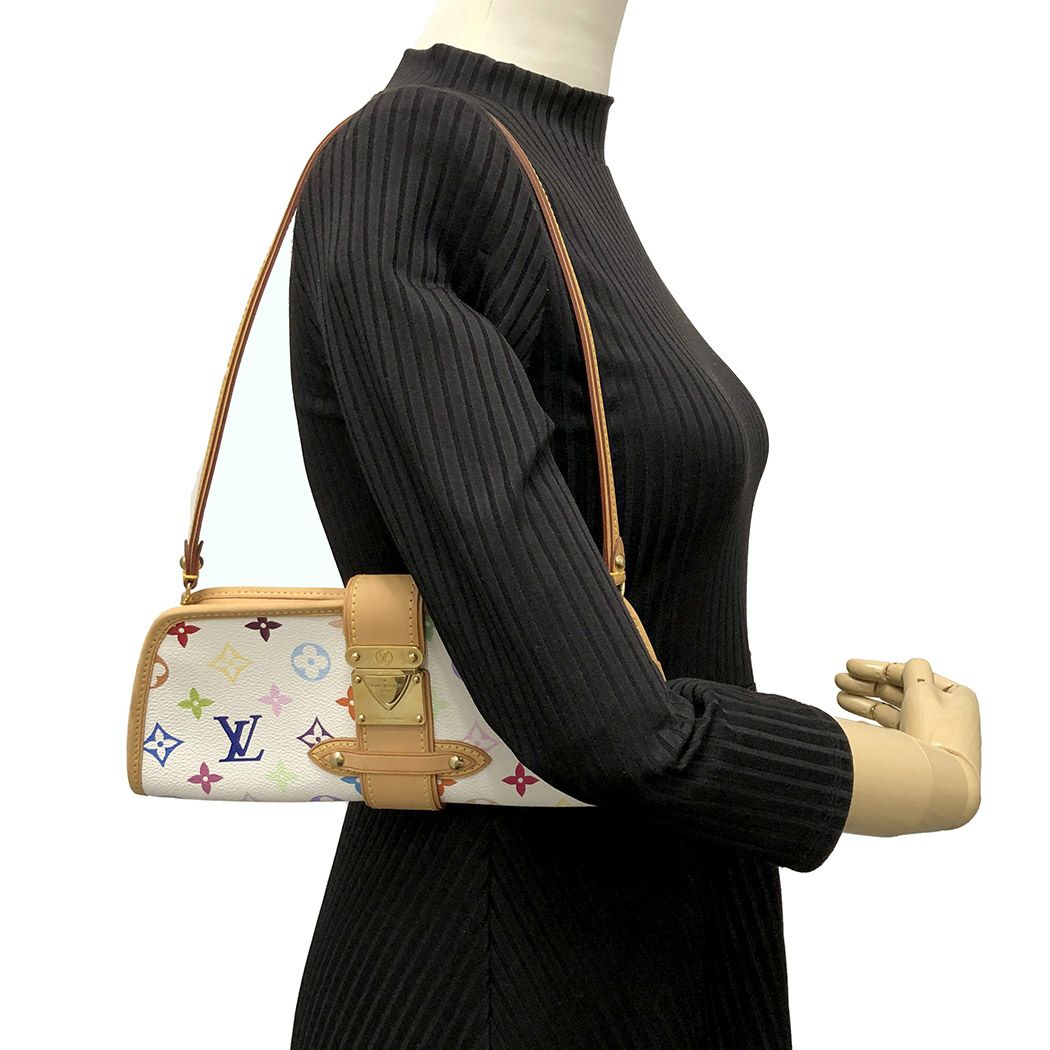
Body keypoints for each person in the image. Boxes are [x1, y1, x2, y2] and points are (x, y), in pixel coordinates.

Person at [285, 5, 981, 1047]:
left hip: (663, 952)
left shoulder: (551, 154)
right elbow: (610, 730)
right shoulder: (412, 153)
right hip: (501, 981)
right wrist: (930, 780)